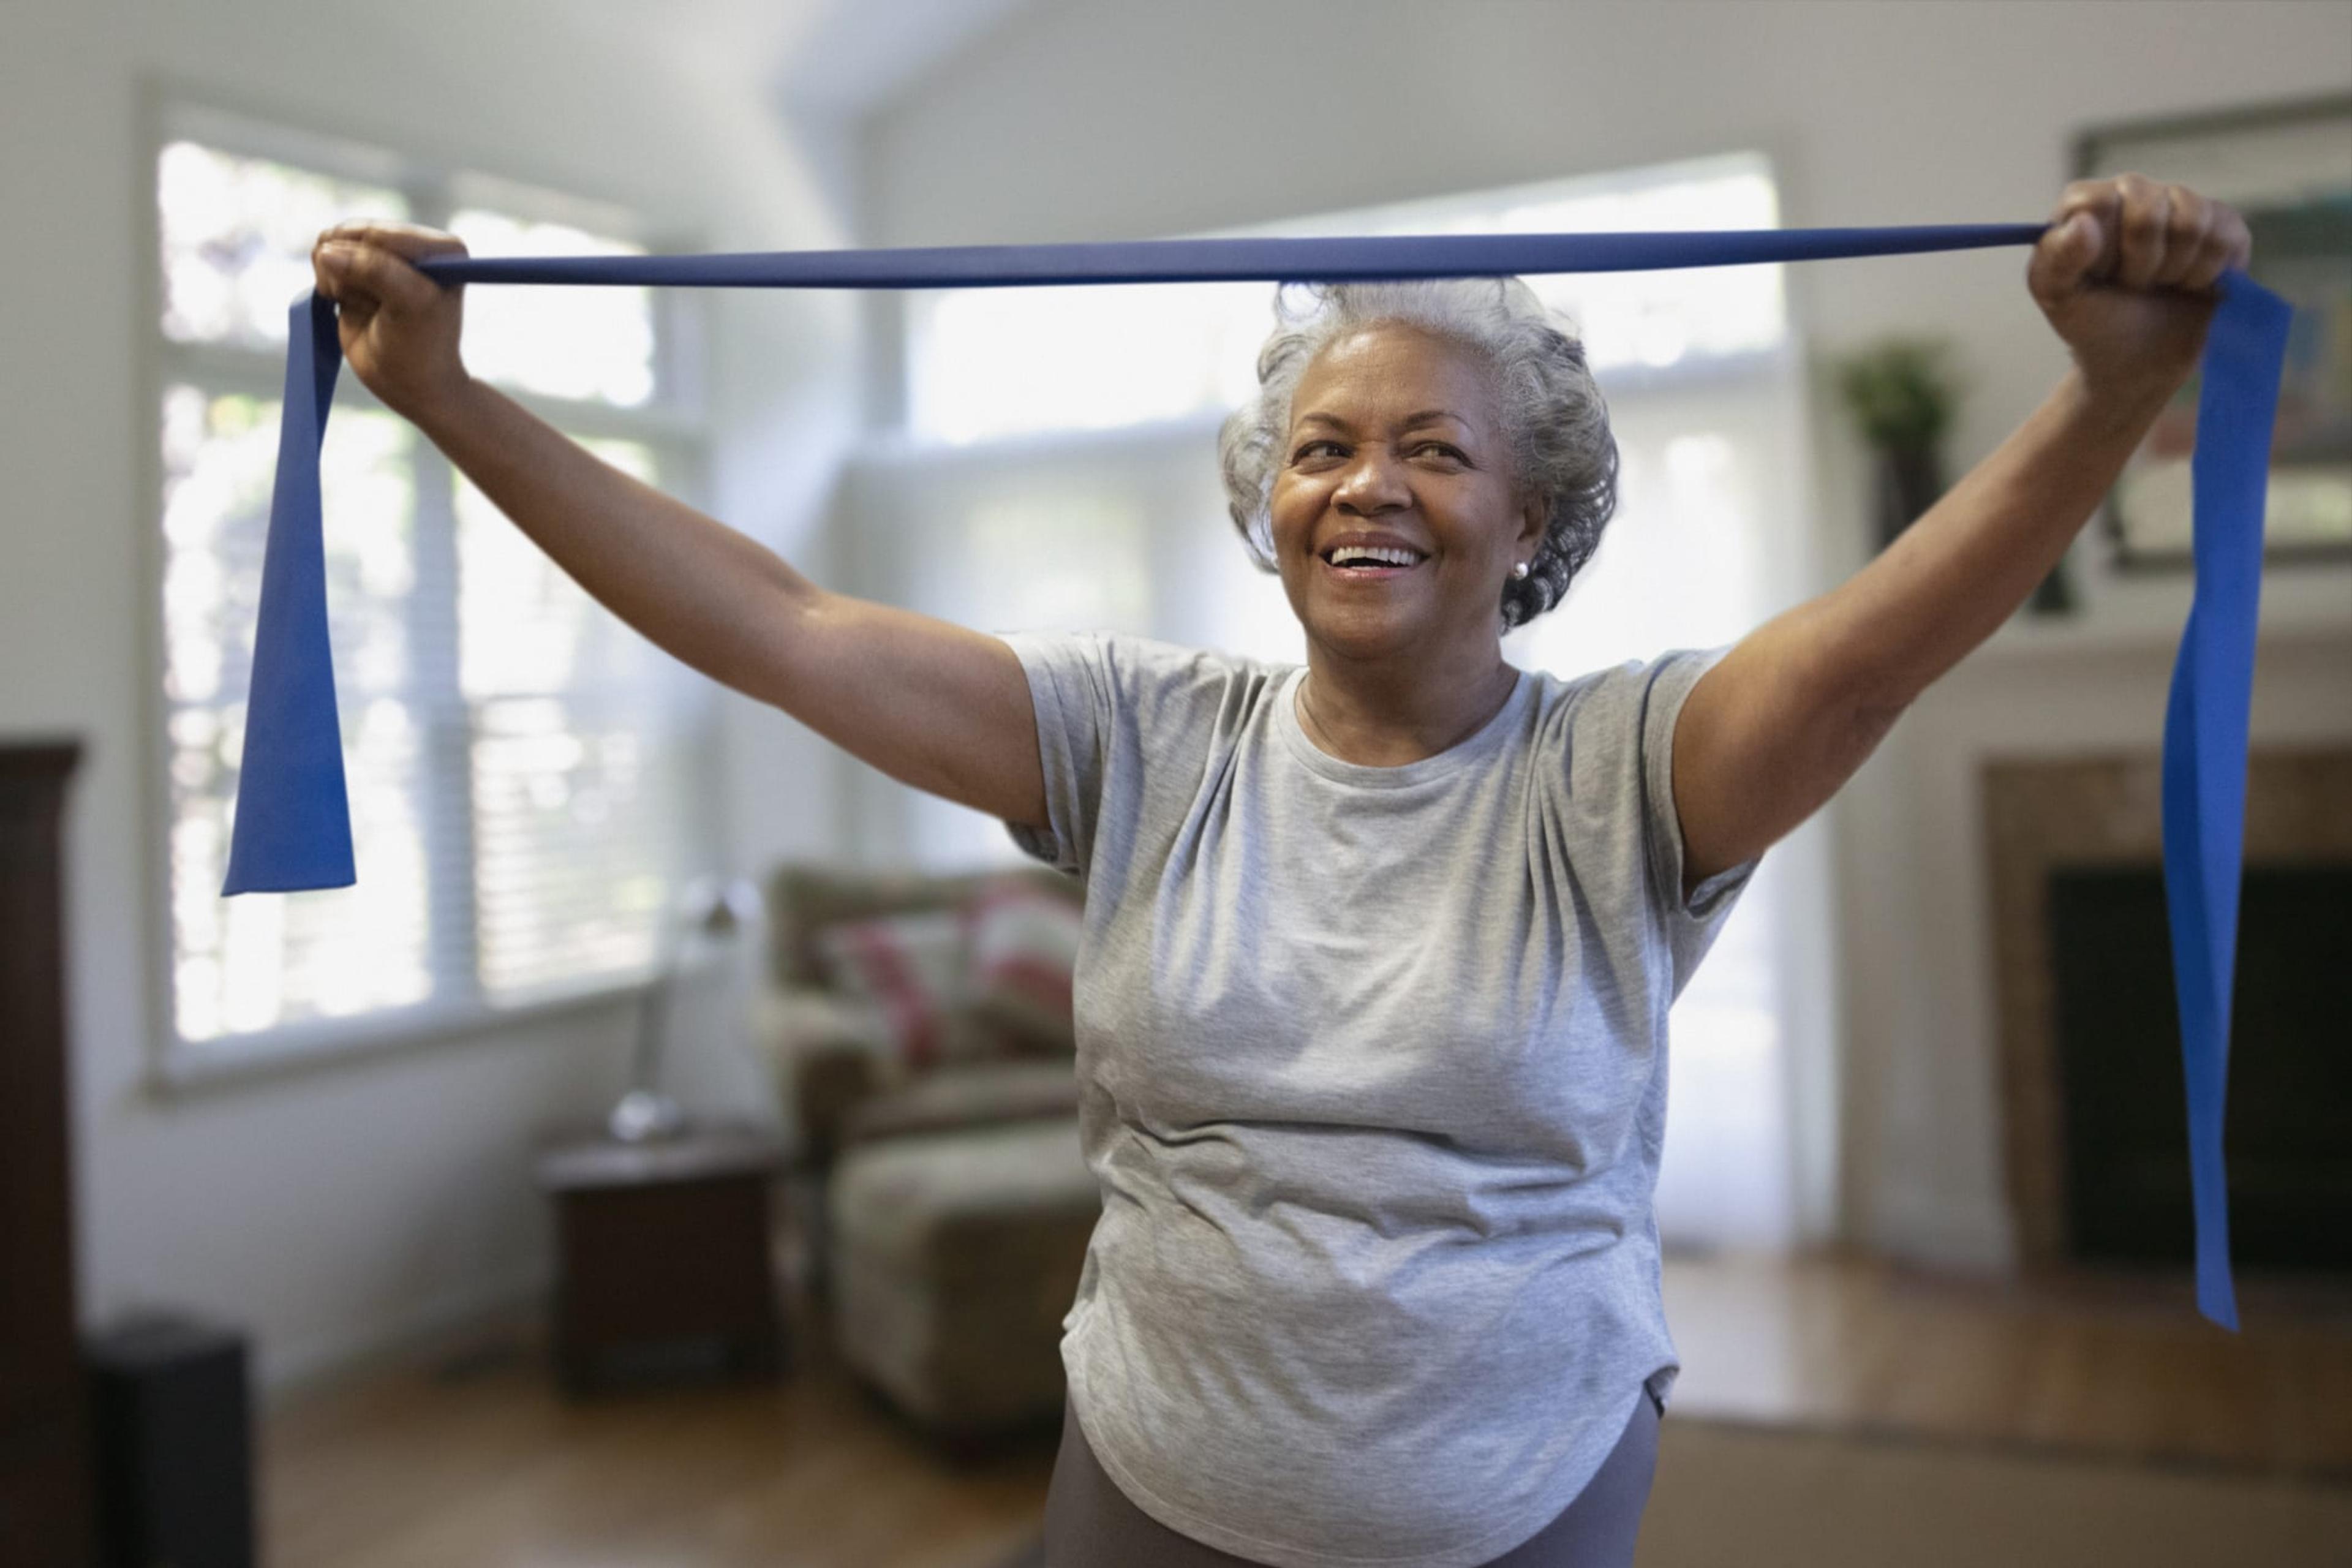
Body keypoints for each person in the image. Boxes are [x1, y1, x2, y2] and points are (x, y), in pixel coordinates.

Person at [310, 173, 2249, 1568]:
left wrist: (2108, 394)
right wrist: (454, 399)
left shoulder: (1618, 767)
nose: (1369, 484)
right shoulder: (1146, 737)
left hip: (1519, 1494)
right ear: (1268, 508)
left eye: (1434, 450)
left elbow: (1867, 657)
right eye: (1321, 449)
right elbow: (786, 626)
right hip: (1146, 1472)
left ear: (1532, 520)